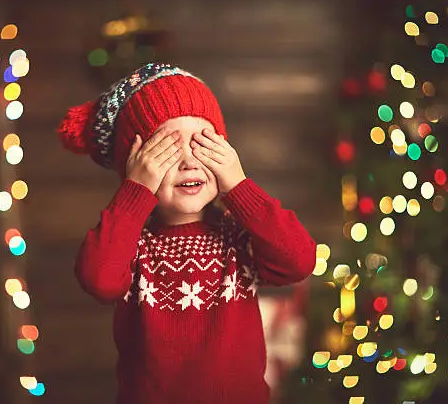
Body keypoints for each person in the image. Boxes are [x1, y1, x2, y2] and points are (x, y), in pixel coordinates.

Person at [57, 62, 316, 404]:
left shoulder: (237, 237)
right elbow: (98, 279)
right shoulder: (132, 245)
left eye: (203, 144)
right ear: (136, 169)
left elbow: (299, 260)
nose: (189, 163)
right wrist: (135, 193)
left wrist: (238, 186)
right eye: (167, 150)